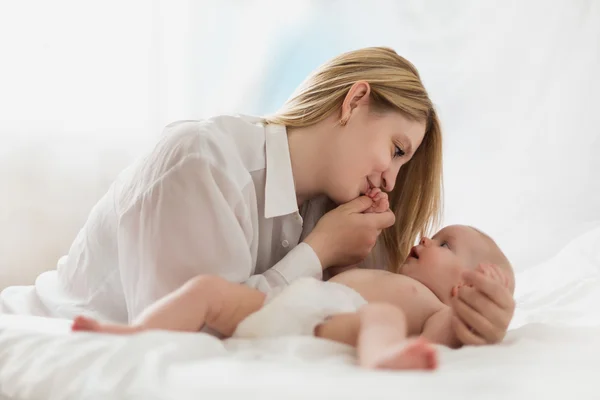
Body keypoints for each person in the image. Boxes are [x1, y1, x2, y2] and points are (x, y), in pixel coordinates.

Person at [1, 46, 513, 345]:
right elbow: (191, 339)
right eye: (396, 150)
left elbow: (389, 307)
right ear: (355, 100)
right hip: (46, 336)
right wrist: (317, 254)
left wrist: (478, 317)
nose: (392, 182)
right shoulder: (204, 163)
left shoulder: (340, 211)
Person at [71, 224, 515, 371]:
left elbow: (445, 332)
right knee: (207, 289)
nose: (423, 238)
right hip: (284, 309)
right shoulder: (383, 274)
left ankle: (383, 356)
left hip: (332, 326)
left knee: (379, 315)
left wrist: (470, 309)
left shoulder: (438, 308)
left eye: (444, 245)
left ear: (465, 286)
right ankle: (133, 330)